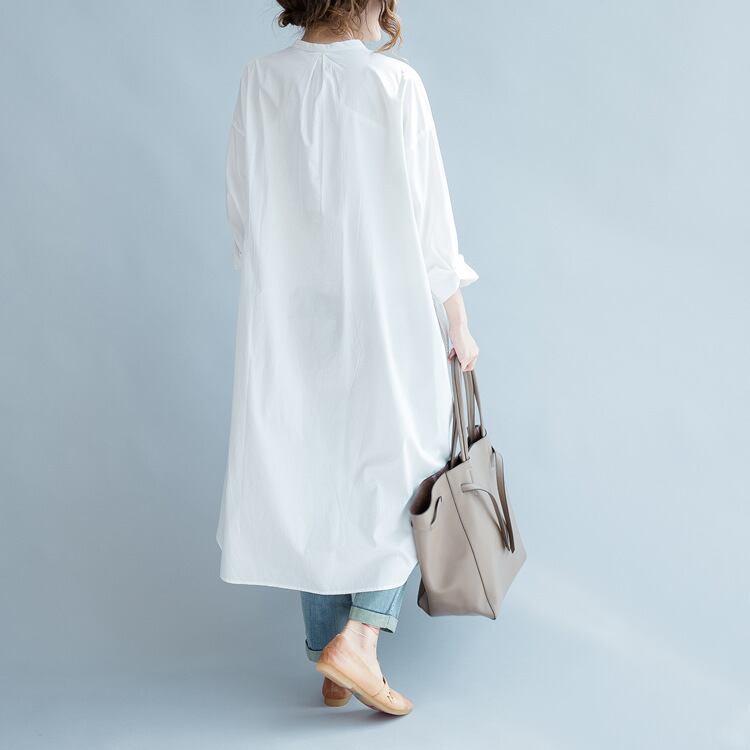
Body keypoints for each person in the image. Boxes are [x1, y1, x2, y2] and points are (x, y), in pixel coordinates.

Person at [217, 0, 479, 716]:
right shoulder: (396, 84)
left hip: (292, 311)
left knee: (312, 467)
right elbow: (430, 220)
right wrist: (458, 322)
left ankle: (327, 659)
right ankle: (359, 640)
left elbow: (243, 210)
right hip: (387, 311)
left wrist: (278, 284)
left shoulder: (260, 79)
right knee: (409, 461)